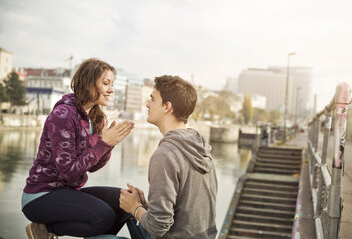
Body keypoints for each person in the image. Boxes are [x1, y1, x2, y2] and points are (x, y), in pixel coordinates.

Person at [22, 58, 134, 239]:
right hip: (41, 195)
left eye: (112, 84)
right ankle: (46, 229)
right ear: (88, 83)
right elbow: (68, 172)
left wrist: (108, 145)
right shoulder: (63, 115)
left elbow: (92, 166)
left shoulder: (97, 118)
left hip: (68, 192)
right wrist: (103, 144)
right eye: (106, 83)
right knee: (103, 217)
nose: (112, 90)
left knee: (126, 202)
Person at [119, 75, 218, 239]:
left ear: (167, 107)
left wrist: (134, 208)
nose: (147, 104)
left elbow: (158, 227)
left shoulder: (166, 154)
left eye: (152, 99)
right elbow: (186, 213)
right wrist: (147, 207)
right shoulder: (202, 148)